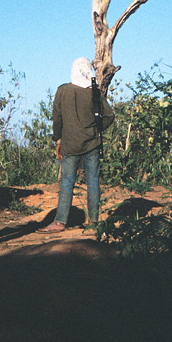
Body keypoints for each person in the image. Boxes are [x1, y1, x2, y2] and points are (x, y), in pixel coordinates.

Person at [38, 57, 115, 233]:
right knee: (93, 181)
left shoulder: (62, 91)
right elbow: (109, 116)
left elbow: (57, 119)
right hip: (92, 144)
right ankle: (93, 221)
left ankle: (60, 222)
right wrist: (96, 130)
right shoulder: (94, 92)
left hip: (69, 144)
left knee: (66, 182)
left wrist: (58, 139)